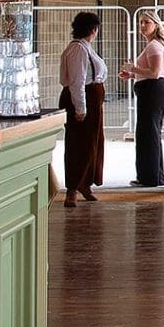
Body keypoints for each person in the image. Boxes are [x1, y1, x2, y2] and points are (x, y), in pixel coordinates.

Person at [59, 11, 108, 205]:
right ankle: (73, 187)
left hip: (92, 99)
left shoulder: (85, 47)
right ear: (93, 29)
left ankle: (85, 182)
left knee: (92, 143)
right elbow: (77, 81)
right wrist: (81, 107)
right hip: (84, 99)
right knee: (79, 144)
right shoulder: (78, 49)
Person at [119, 12, 164, 189]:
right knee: (150, 134)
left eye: (146, 22)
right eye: (140, 22)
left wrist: (133, 68)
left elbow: (155, 73)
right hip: (152, 91)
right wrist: (133, 74)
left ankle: (149, 178)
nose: (142, 26)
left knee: (147, 135)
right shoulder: (153, 45)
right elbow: (150, 72)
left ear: (156, 25)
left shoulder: (154, 47)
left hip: (152, 92)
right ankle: (155, 176)